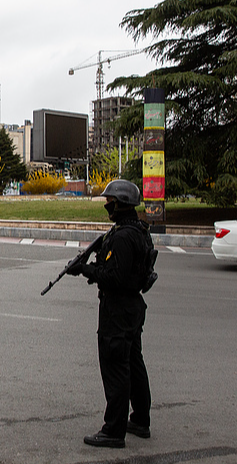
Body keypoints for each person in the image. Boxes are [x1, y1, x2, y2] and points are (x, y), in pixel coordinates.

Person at [66, 179, 153, 449]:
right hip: (132, 309)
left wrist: (85, 270)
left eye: (110, 201)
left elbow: (114, 276)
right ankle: (139, 419)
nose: (107, 205)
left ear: (121, 203)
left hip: (118, 310)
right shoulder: (137, 230)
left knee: (116, 368)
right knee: (133, 364)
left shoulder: (123, 236)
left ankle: (113, 431)